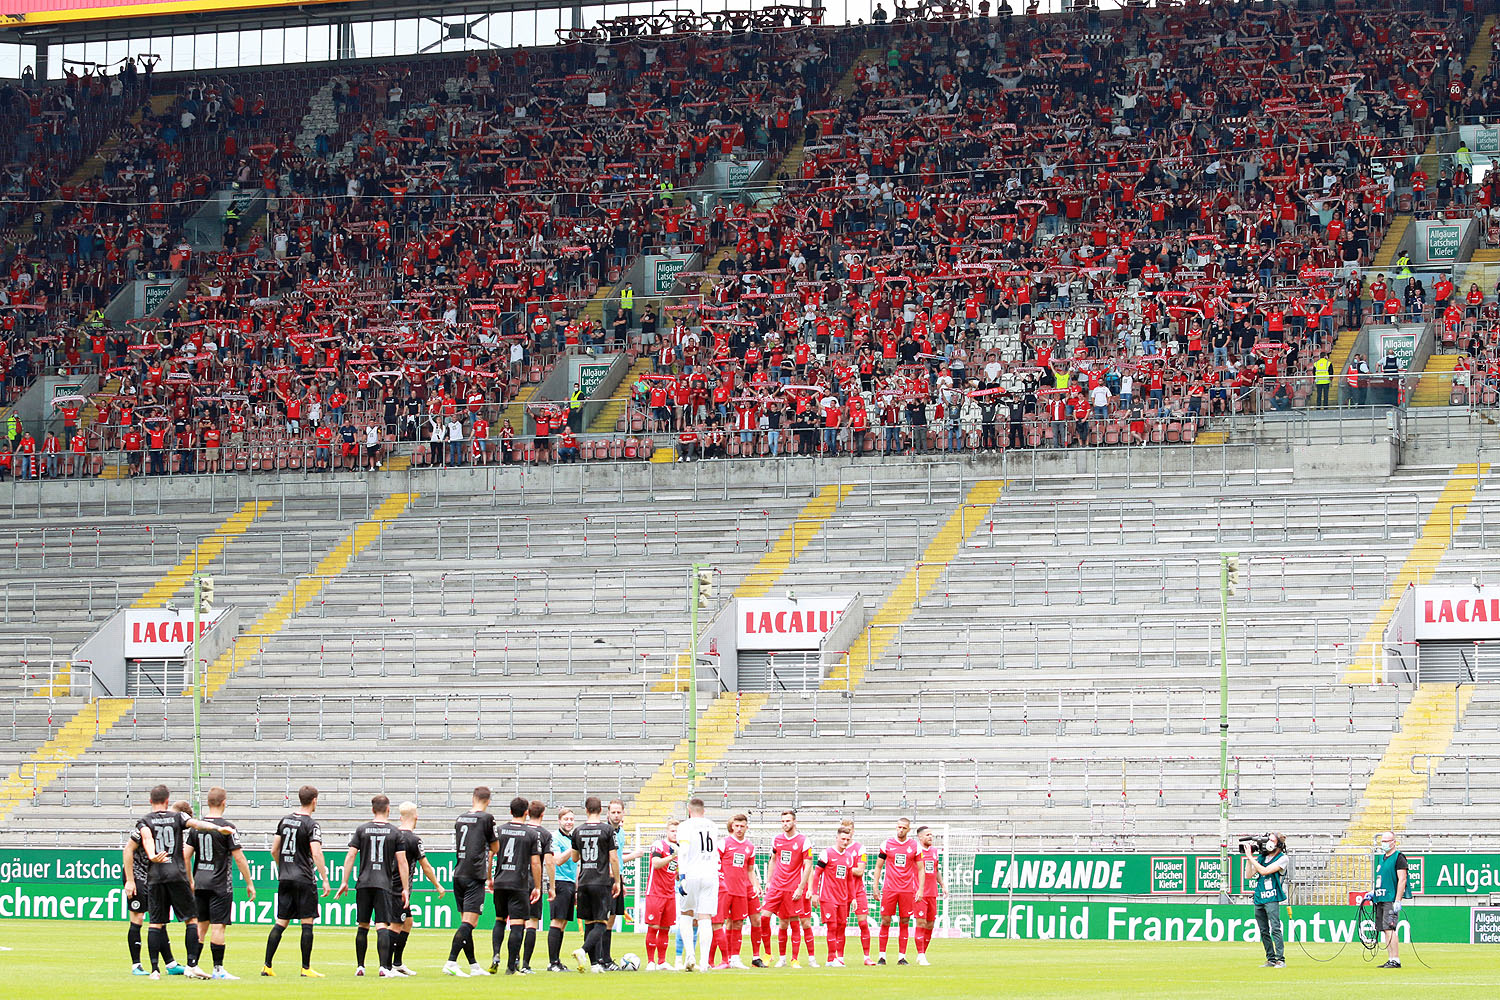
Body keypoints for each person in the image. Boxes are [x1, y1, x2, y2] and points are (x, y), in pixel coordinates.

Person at [133, 785, 233, 980]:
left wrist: (153, 855)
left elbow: (146, 837)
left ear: (150, 801)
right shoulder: (179, 817)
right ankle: (191, 965)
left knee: (155, 923)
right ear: (168, 801)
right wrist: (217, 828)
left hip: (156, 877)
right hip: (177, 875)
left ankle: (154, 970)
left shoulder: (144, 820)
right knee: (191, 920)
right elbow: (197, 824)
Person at [335, 794, 410, 978]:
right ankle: (384, 967)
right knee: (382, 925)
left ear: (372, 809)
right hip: (383, 884)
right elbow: (402, 862)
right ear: (388, 809)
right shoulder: (395, 832)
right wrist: (406, 888)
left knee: (362, 925)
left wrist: (344, 881)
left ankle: (360, 966)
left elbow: (351, 855)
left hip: (363, 883)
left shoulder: (362, 830)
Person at [184, 787, 255, 980]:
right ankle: (218, 969)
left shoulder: (197, 827)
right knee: (218, 926)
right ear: (224, 803)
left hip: (200, 882)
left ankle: (192, 965)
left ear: (208, 803)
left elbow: (186, 855)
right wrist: (249, 883)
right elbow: (239, 857)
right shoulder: (227, 827)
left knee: (200, 926)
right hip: (219, 884)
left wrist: (190, 879)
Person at [263, 785, 331, 978]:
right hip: (303, 878)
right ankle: (306, 968)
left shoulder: (284, 821)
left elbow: (274, 850)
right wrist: (324, 878)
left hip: (285, 877)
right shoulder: (312, 825)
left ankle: (267, 965)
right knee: (307, 922)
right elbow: (316, 852)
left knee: (281, 922)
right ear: (314, 800)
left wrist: (282, 868)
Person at [443, 786, 497, 977]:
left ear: (473, 798)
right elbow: (495, 846)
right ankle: (451, 961)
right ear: (488, 801)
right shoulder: (486, 818)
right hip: (475, 873)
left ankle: (474, 966)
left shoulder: (461, 818)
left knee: (466, 923)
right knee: (469, 923)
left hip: (459, 872)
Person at [489, 796, 543, 975]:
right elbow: (535, 863)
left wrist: (489, 878)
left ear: (510, 811)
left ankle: (496, 954)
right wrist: (537, 886)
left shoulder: (500, 830)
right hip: (519, 883)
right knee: (517, 925)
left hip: (501, 881)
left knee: (499, 919)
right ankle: (511, 967)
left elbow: (490, 855)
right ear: (526, 813)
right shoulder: (531, 834)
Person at [568, 797, 622, 972]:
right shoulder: (607, 830)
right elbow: (613, 857)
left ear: (586, 810)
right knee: (602, 922)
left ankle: (594, 964)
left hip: (584, 881)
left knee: (590, 922)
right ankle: (583, 950)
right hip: (601, 881)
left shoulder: (578, 830)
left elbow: (575, 858)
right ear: (601, 810)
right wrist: (617, 881)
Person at [391, 800, 444, 976]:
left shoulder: (392, 835)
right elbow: (426, 866)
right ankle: (388, 965)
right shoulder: (414, 839)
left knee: (407, 922)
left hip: (387, 885)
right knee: (396, 925)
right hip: (400, 889)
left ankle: (396, 963)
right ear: (416, 817)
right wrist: (437, 884)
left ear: (400, 817)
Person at [759, 808, 815, 967]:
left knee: (794, 922)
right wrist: (768, 881)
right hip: (776, 887)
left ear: (794, 821)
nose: (785, 824)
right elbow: (773, 860)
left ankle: (794, 959)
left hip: (792, 888)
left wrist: (801, 887)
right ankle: (768, 954)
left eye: (788, 821)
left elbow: (808, 864)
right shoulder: (776, 839)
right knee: (764, 916)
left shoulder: (804, 841)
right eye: (783, 821)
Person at [675, 798, 722, 972]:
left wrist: (683, 875)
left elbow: (684, 850)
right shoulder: (712, 826)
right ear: (704, 810)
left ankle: (690, 955)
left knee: (686, 914)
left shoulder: (685, 826)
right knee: (705, 917)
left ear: (689, 809)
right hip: (710, 874)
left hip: (692, 874)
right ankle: (704, 963)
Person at [872, 815, 924, 965]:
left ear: (909, 830)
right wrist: (875, 886)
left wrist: (920, 889)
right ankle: (882, 956)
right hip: (889, 889)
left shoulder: (915, 846)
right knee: (886, 920)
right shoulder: (886, 844)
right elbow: (878, 866)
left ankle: (901, 957)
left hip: (907, 890)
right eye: (898, 827)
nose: (900, 830)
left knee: (905, 921)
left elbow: (921, 869)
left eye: (904, 828)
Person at [712, 812, 760, 969]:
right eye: (736, 826)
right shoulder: (723, 843)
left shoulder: (750, 847)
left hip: (741, 891)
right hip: (724, 891)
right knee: (719, 924)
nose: (739, 829)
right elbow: (714, 864)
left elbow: (750, 870)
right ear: (732, 826)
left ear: (747, 827)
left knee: (738, 923)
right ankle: (713, 960)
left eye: (742, 826)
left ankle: (735, 958)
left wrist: (755, 885)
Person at [810, 821, 857, 967]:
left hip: (843, 898)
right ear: (837, 838)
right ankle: (831, 958)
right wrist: (814, 893)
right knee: (832, 926)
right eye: (842, 839)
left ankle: (837, 957)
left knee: (842, 926)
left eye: (848, 839)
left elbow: (850, 879)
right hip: (828, 897)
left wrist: (853, 897)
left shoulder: (849, 857)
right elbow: (817, 874)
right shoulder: (827, 853)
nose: (845, 842)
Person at [1243, 832, 1288, 969]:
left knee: (1275, 928)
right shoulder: (1262, 857)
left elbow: (1264, 871)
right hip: (1259, 897)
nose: (1268, 842)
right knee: (1263, 930)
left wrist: (1251, 858)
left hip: (1272, 897)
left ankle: (1280, 959)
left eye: (1272, 840)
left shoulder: (1283, 858)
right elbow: (1248, 875)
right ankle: (1271, 959)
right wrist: (1249, 859)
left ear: (1278, 844)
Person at [1368, 831, 1409, 969]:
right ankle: (1390, 958)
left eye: (1387, 841)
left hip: (1391, 898)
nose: (1384, 843)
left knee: (1390, 928)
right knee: (1385, 929)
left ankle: (1396, 959)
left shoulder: (1399, 857)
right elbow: (1382, 878)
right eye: (1383, 841)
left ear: (1394, 842)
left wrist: (1398, 899)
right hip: (1381, 896)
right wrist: (1374, 893)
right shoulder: (1381, 858)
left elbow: (1402, 879)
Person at [642, 820, 680, 970]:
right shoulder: (659, 845)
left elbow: (675, 871)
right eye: (672, 831)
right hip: (655, 892)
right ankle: (651, 962)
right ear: (667, 831)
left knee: (666, 928)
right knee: (654, 926)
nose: (675, 834)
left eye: (677, 832)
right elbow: (656, 863)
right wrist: (671, 856)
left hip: (670, 894)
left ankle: (662, 961)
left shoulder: (680, 850)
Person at [521, 800, 554, 972]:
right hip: (533, 883)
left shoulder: (520, 830)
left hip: (515, 881)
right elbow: (549, 862)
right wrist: (551, 886)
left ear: (528, 812)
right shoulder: (545, 834)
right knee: (532, 923)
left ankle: (513, 962)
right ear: (543, 814)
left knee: (517, 923)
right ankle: (525, 964)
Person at [545, 807, 579, 972]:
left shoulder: (572, 838)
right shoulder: (555, 838)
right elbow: (557, 860)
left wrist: (577, 887)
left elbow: (575, 863)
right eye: (566, 819)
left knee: (563, 923)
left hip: (570, 883)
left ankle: (557, 961)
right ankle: (552, 962)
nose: (569, 822)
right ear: (559, 821)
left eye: (571, 819)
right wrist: (573, 847)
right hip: (559, 882)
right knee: (556, 921)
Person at [846, 822, 876, 965]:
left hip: (858, 891)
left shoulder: (859, 848)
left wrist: (841, 867)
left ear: (853, 831)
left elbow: (859, 871)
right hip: (841, 892)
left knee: (863, 923)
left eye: (849, 830)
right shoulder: (834, 851)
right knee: (839, 926)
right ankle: (838, 957)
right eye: (845, 830)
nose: (847, 832)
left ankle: (866, 957)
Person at [914, 825, 940, 965]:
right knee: (921, 922)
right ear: (920, 837)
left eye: (931, 835)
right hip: (919, 893)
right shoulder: (916, 852)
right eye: (928, 835)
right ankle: (921, 954)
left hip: (932, 893)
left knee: (930, 924)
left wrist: (942, 885)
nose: (931, 837)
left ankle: (922, 953)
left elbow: (936, 870)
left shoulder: (935, 852)